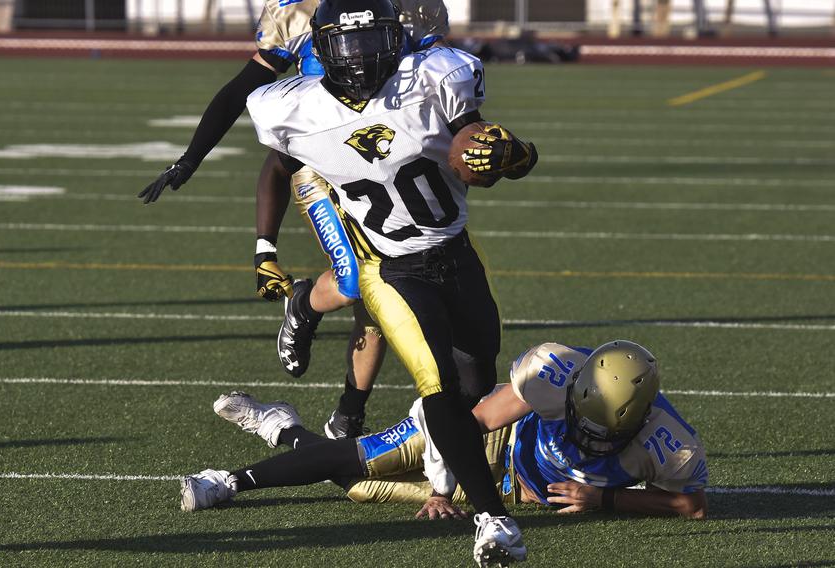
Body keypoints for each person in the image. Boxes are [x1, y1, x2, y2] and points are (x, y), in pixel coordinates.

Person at [241, 0, 538, 564]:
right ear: (321, 49)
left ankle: (324, 445)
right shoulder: (291, 107)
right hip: (390, 269)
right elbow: (277, 169)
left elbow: (477, 147)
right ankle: (492, 519)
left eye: (368, 41)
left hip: (457, 255)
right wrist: (265, 247)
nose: (357, 58)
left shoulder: (431, 77)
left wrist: (514, 154)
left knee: (475, 387)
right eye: (344, 45)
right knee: (440, 390)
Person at [137, 0, 449, 440]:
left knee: (381, 295)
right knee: (357, 280)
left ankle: (349, 415)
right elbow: (255, 117)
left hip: (386, 158)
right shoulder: (297, 15)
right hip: (320, 166)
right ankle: (303, 303)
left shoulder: (414, 8)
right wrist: (191, 162)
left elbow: (439, 84)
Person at [181, 342, 707, 560]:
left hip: (520, 497)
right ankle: (227, 481)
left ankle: (284, 428)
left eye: (606, 435)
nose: (588, 442)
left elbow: (692, 506)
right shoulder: (553, 370)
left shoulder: (671, 441)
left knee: (362, 490)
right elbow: (467, 422)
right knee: (361, 459)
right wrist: (446, 484)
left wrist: (606, 501)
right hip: (494, 451)